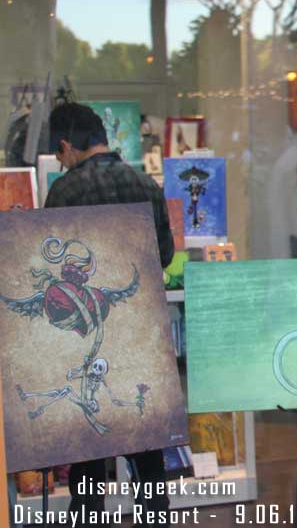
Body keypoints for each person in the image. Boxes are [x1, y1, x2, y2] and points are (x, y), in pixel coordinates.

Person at [46, 102, 175, 524]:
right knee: (146, 443)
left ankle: (88, 516)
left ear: (67, 146)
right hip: (141, 333)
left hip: (88, 337)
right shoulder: (146, 185)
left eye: (60, 154)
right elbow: (166, 255)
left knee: (88, 447)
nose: (62, 162)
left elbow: (51, 275)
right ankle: (154, 516)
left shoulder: (65, 192)